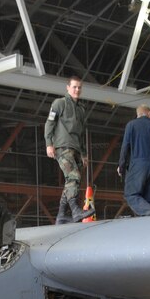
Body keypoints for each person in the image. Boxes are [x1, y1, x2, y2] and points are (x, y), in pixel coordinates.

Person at [44, 75, 95, 224]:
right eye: (74, 87)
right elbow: (49, 123)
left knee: (72, 181)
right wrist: (49, 143)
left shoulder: (81, 109)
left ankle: (61, 214)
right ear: (68, 88)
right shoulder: (59, 103)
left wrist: (84, 154)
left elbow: (81, 132)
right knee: (74, 177)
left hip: (76, 148)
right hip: (62, 146)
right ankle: (75, 210)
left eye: (79, 87)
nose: (77, 90)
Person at [117, 104, 150, 216]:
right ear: (149, 113)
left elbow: (125, 147)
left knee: (130, 194)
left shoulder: (131, 125)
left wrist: (121, 166)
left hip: (138, 165)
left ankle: (148, 211)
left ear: (138, 114)